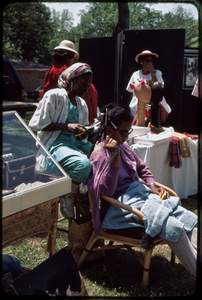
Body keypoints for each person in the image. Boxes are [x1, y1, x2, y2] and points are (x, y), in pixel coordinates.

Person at [87, 103, 197, 276]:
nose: (125, 137)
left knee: (187, 217)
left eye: (128, 133)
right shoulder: (100, 153)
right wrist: (114, 157)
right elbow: (106, 192)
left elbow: (142, 168)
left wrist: (152, 186)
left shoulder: (123, 146)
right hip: (119, 208)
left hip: (140, 196)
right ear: (109, 130)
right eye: (123, 132)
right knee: (172, 225)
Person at [29, 63, 94, 220]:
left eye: (88, 85)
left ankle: (86, 194)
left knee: (101, 155)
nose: (86, 88)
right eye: (83, 84)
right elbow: (36, 125)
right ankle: (68, 194)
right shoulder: (54, 95)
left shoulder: (82, 103)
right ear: (71, 80)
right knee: (83, 165)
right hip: (54, 146)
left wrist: (87, 132)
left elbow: (81, 135)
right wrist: (67, 126)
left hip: (74, 144)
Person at [43, 40, 98, 124]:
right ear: (70, 56)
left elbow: (46, 91)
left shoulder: (51, 70)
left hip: (55, 112)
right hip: (69, 114)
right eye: (73, 58)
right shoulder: (71, 72)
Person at [126, 50, 171, 124]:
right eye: (147, 61)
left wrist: (153, 73)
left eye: (151, 61)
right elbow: (132, 93)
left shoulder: (157, 73)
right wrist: (133, 105)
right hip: (137, 108)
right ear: (141, 62)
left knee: (153, 130)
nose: (149, 63)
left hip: (152, 107)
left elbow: (159, 89)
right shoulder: (135, 74)